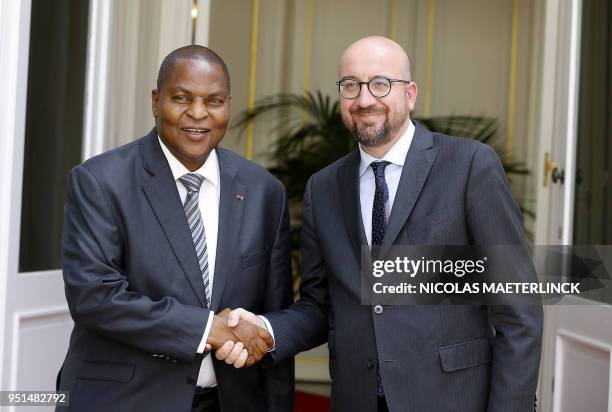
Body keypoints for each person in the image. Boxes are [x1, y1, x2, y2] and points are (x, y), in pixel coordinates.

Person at [219, 36, 543, 412]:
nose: (365, 99)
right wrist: (265, 330)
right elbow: (320, 306)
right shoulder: (322, 188)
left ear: (410, 93)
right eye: (351, 85)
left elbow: (519, 311)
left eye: (380, 84)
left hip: (453, 399)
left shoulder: (469, 166)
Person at [57, 45, 294, 412]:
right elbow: (94, 297)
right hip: (125, 402)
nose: (198, 114)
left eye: (214, 101)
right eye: (182, 98)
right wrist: (206, 329)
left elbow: (274, 313)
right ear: (156, 101)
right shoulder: (100, 182)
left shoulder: (265, 191)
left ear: (228, 104)